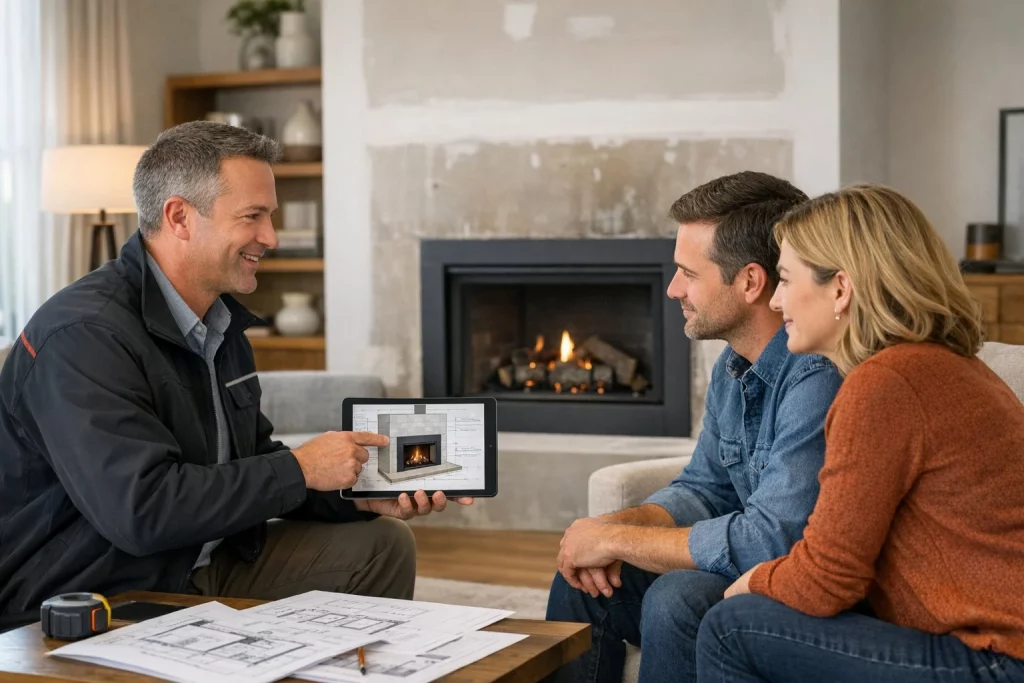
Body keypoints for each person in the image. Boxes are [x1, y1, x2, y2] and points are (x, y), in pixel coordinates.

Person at [0, 121, 470, 632]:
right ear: (179, 217)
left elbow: (248, 463)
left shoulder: (220, 324)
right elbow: (143, 511)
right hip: (98, 593)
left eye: (270, 217)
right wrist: (300, 467)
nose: (269, 237)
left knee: (380, 544)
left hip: (195, 563)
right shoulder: (83, 336)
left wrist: (354, 492)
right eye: (253, 216)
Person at [696, 185, 1024, 682]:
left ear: (841, 290)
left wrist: (750, 582)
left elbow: (827, 581)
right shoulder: (947, 367)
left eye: (785, 279)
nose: (778, 299)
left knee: (732, 626)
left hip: (995, 661)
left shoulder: (886, 384)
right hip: (991, 646)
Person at [545, 171, 843, 683]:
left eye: (688, 272)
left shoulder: (817, 375)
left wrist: (619, 540)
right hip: (751, 559)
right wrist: (611, 529)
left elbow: (774, 539)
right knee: (581, 581)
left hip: (798, 583)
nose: (672, 288)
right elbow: (705, 488)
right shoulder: (734, 364)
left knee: (676, 597)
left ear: (750, 281)